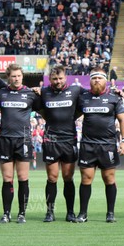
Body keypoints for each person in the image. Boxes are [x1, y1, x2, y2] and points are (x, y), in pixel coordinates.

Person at [74, 67, 124, 224]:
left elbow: (123, 120)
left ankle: (110, 213)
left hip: (108, 145)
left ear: (106, 80)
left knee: (109, 178)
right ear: (89, 80)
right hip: (87, 145)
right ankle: (83, 213)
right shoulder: (83, 97)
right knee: (86, 178)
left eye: (100, 77)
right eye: (94, 78)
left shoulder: (114, 98)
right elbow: (72, 115)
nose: (97, 80)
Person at [0, 64, 41, 224]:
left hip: (24, 140)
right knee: (7, 178)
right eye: (13, 76)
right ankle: (6, 214)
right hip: (5, 139)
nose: (16, 78)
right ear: (8, 77)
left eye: (19, 76)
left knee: (22, 177)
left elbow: (46, 110)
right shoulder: (1, 94)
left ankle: (22, 213)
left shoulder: (30, 94)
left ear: (22, 76)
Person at [39, 65, 82, 223]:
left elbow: (92, 96)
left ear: (66, 78)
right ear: (50, 79)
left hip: (69, 140)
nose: (58, 81)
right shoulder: (44, 92)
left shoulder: (76, 91)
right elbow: (38, 108)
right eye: (55, 79)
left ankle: (70, 212)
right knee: (52, 177)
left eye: (60, 78)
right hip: (51, 140)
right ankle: (50, 212)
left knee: (68, 177)